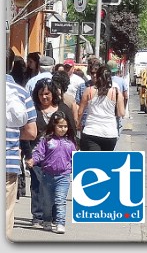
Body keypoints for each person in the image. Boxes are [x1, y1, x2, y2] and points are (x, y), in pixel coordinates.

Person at [21, 77, 75, 228]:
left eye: (47, 94)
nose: (44, 97)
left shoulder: (63, 109)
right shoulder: (32, 109)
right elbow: (25, 130)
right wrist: (26, 152)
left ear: (53, 94)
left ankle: (53, 217)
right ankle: (37, 216)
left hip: (59, 156)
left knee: (56, 190)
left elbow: (71, 130)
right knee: (38, 184)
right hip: (37, 152)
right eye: (40, 94)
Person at [26, 111, 77, 234]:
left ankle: (60, 223)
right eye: (60, 126)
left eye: (65, 126)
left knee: (60, 200)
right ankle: (47, 220)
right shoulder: (46, 140)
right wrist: (33, 160)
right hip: (47, 176)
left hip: (63, 176)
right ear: (53, 126)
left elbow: (75, 157)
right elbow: (39, 153)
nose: (63, 129)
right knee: (47, 202)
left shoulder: (70, 142)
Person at [6, 48, 37, 240]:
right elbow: (31, 132)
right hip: (7, 160)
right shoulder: (20, 93)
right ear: (10, 65)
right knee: (6, 212)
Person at [78, 65, 125, 151]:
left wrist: (78, 125)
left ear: (97, 76)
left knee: (93, 163)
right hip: (110, 133)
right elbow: (121, 113)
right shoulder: (116, 92)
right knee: (105, 163)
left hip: (91, 131)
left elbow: (80, 112)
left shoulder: (89, 90)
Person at [107, 60, 129, 135]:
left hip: (107, 108)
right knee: (117, 128)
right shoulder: (122, 81)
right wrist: (124, 108)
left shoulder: (104, 80)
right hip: (117, 109)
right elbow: (126, 96)